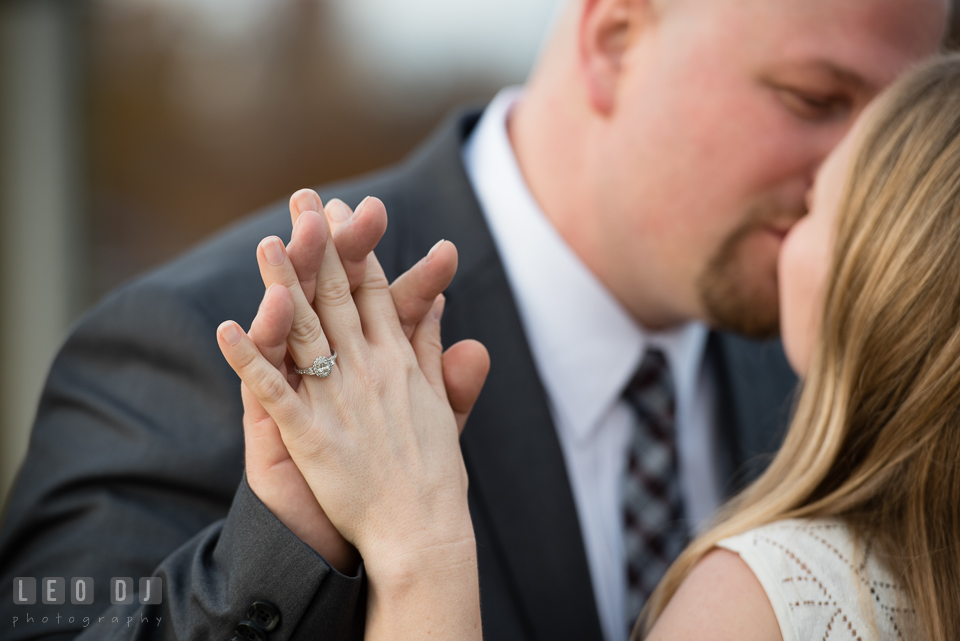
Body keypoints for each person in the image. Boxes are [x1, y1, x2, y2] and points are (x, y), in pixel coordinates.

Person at [0, 0, 948, 639]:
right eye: (816, 100)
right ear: (614, 39)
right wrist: (285, 545)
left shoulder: (859, 376)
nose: (865, 177)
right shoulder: (199, 349)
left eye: (895, 123)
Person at [224, 52, 960, 641]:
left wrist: (418, 548)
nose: (795, 203)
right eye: (812, 98)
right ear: (609, 37)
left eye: (819, 205)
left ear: (889, 273)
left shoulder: (770, 592)